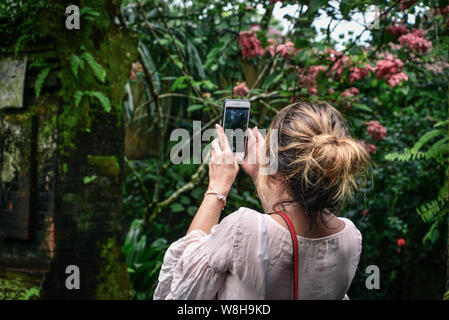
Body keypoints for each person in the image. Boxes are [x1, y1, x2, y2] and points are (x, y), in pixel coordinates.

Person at [154, 101, 369, 300]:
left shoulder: (242, 228)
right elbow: (285, 229)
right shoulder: (350, 237)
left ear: (276, 164)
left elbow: (181, 285)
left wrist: (217, 188)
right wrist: (262, 175)